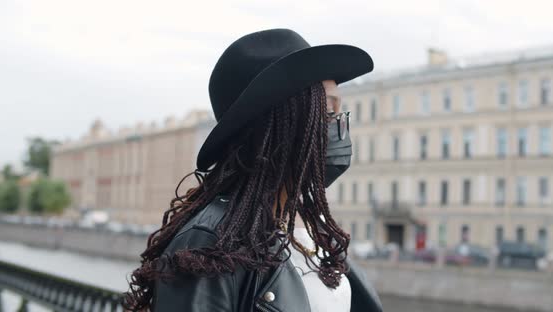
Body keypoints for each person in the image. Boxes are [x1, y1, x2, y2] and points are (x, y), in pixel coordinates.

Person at [123, 28, 382, 312]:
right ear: (278, 124)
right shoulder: (210, 243)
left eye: (339, 113)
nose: (338, 127)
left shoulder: (315, 230)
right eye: (327, 111)